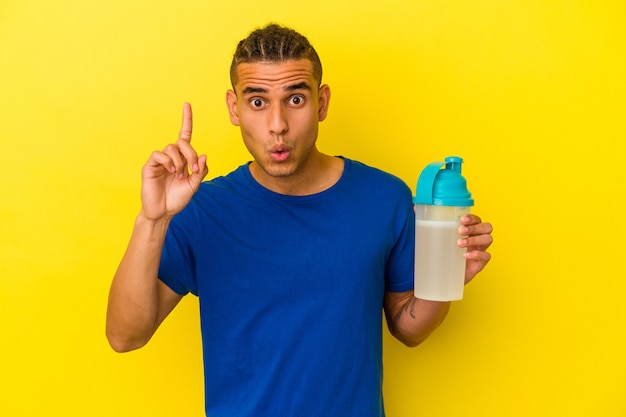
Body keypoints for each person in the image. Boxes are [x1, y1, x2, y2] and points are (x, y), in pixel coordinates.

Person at [106, 23, 493, 416]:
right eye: (257, 102)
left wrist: (443, 280)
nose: (277, 124)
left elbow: (408, 329)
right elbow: (125, 336)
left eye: (295, 99)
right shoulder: (204, 210)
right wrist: (152, 220)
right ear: (233, 108)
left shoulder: (383, 198)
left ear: (322, 102)